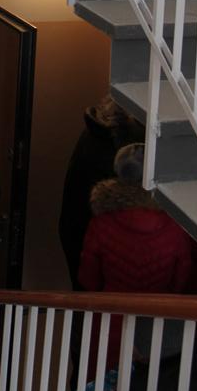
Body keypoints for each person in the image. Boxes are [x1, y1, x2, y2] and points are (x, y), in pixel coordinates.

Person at [77, 143, 193, 380]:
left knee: (103, 388)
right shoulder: (174, 226)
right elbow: (180, 280)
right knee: (150, 389)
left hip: (110, 318)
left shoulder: (101, 224)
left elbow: (88, 279)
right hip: (156, 320)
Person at [58, 94, 144, 289]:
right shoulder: (135, 148)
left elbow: (71, 222)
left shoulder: (96, 131)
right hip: (115, 276)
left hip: (87, 251)